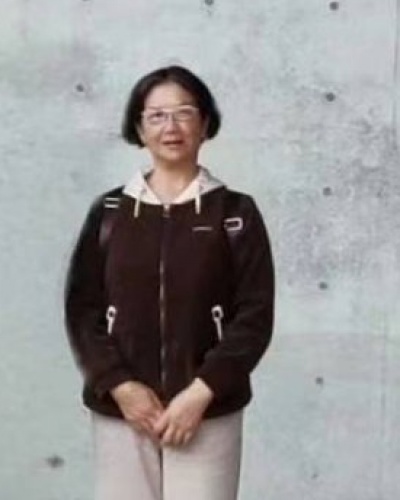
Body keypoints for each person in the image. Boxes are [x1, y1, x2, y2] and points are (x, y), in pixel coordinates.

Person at [64, 65, 275, 500]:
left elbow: (254, 316)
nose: (171, 127)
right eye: (157, 116)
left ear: (205, 123)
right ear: (139, 129)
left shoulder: (235, 213)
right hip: (122, 410)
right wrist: (121, 386)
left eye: (184, 112)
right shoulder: (109, 213)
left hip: (207, 409)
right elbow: (82, 311)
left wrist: (201, 393)